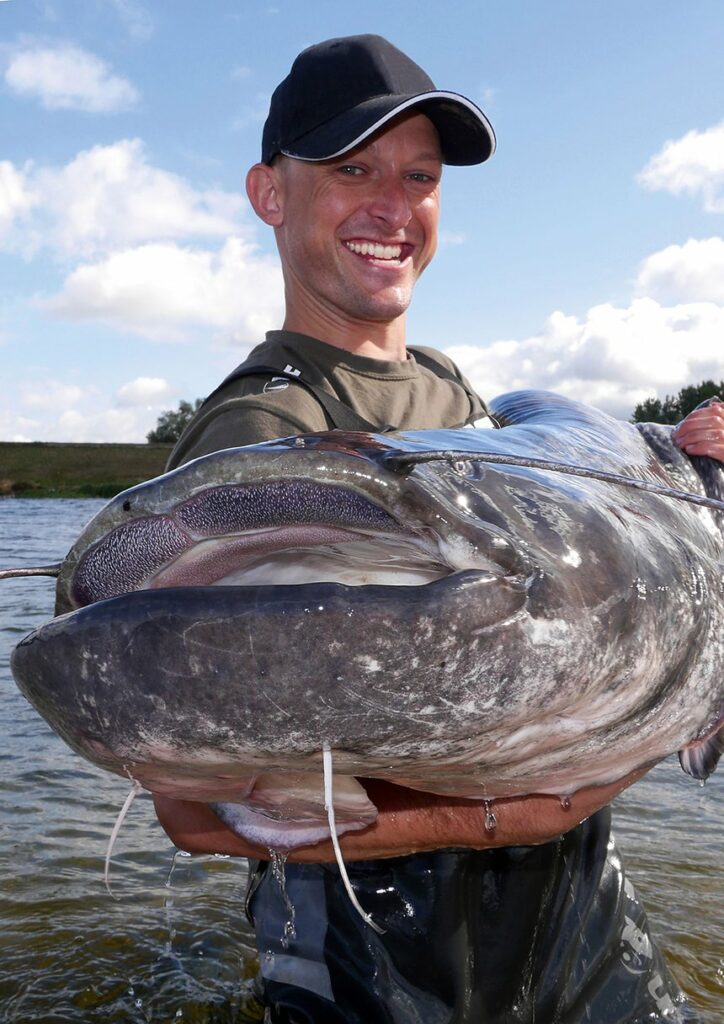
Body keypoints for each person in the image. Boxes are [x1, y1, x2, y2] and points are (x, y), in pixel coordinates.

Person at [154, 35, 723, 1023]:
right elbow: (194, 810)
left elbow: (549, 546)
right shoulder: (259, 433)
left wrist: (671, 464)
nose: (393, 204)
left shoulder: (451, 387)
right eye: (351, 169)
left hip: (571, 911)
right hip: (371, 954)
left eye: (418, 176)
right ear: (269, 193)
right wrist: (524, 809)